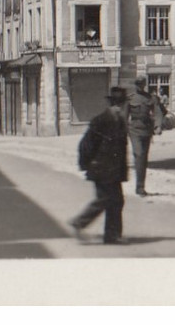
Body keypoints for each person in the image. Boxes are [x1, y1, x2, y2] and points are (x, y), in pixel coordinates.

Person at [69, 87, 130, 245]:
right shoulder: (101, 120)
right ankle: (80, 222)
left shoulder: (119, 121)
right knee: (105, 199)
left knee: (116, 201)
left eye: (120, 105)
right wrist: (86, 164)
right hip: (102, 169)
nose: (119, 108)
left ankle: (112, 235)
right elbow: (85, 144)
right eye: (117, 105)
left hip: (112, 170)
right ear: (112, 105)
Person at [126, 75, 159, 196]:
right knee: (139, 154)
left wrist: (158, 126)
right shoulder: (130, 99)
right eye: (137, 84)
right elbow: (124, 117)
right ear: (135, 85)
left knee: (143, 158)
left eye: (141, 84)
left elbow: (158, 112)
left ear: (144, 85)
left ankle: (140, 187)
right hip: (134, 130)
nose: (140, 86)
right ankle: (139, 187)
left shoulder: (150, 98)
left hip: (146, 130)